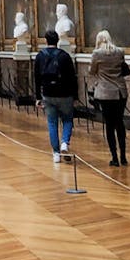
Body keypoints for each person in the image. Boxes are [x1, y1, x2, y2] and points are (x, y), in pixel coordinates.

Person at [34, 30, 78, 163]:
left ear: (46, 41)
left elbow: (36, 78)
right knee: (68, 120)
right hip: (65, 93)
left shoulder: (40, 56)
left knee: (52, 123)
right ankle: (65, 142)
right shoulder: (64, 56)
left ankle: (56, 153)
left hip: (48, 93)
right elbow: (72, 77)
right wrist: (75, 96)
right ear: (57, 40)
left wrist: (37, 97)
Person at [88, 30, 127, 166]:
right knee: (120, 123)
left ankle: (114, 157)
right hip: (120, 92)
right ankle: (123, 156)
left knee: (109, 125)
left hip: (105, 93)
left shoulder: (97, 54)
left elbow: (91, 71)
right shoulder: (120, 51)